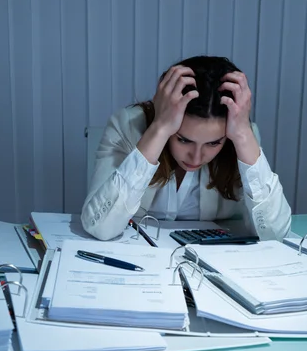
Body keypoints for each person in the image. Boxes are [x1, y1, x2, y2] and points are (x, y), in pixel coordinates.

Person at [81, 55, 291, 242]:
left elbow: (274, 233)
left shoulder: (241, 136)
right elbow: (100, 227)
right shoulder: (127, 125)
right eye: (183, 140)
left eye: (213, 143)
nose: (197, 156)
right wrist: (160, 129)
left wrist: (244, 136)